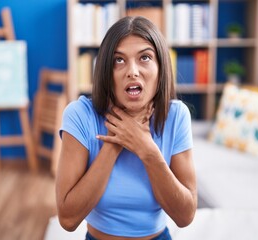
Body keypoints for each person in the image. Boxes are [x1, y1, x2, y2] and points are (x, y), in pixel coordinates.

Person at [56, 16, 197, 240]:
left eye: (145, 57)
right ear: (106, 72)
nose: (132, 71)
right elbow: (68, 219)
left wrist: (147, 151)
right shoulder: (79, 115)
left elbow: (185, 215)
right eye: (118, 60)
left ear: (161, 68)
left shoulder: (176, 116)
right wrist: (116, 142)